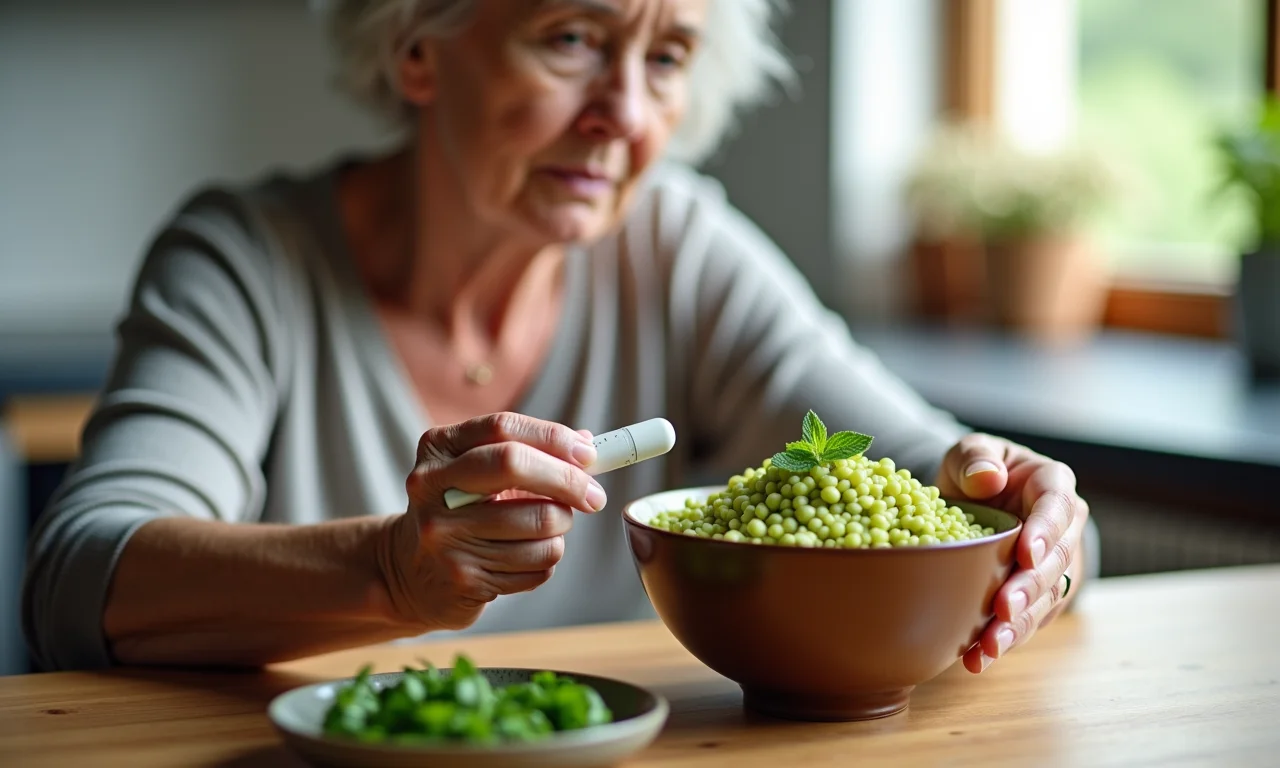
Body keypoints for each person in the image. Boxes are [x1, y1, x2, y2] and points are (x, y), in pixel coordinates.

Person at [22, 0, 1092, 674]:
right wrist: (396, 573)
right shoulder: (247, 261)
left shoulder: (676, 243)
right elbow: (78, 578)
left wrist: (1031, 517)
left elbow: (927, 472)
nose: (624, 116)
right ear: (415, 48)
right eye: (571, 38)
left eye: (667, 54)